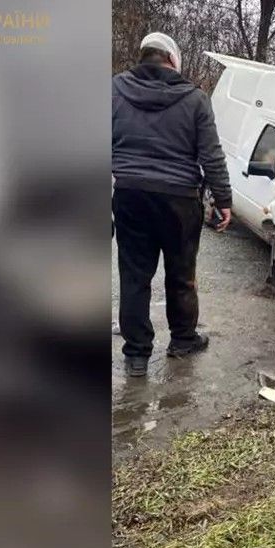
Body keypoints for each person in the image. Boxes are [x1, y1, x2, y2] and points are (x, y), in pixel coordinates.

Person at [112, 32, 233, 377]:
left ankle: (136, 356)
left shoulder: (114, 90)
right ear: (173, 60)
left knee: (134, 276)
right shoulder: (195, 99)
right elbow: (211, 155)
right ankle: (182, 340)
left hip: (130, 194)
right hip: (179, 200)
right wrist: (223, 200)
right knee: (181, 274)